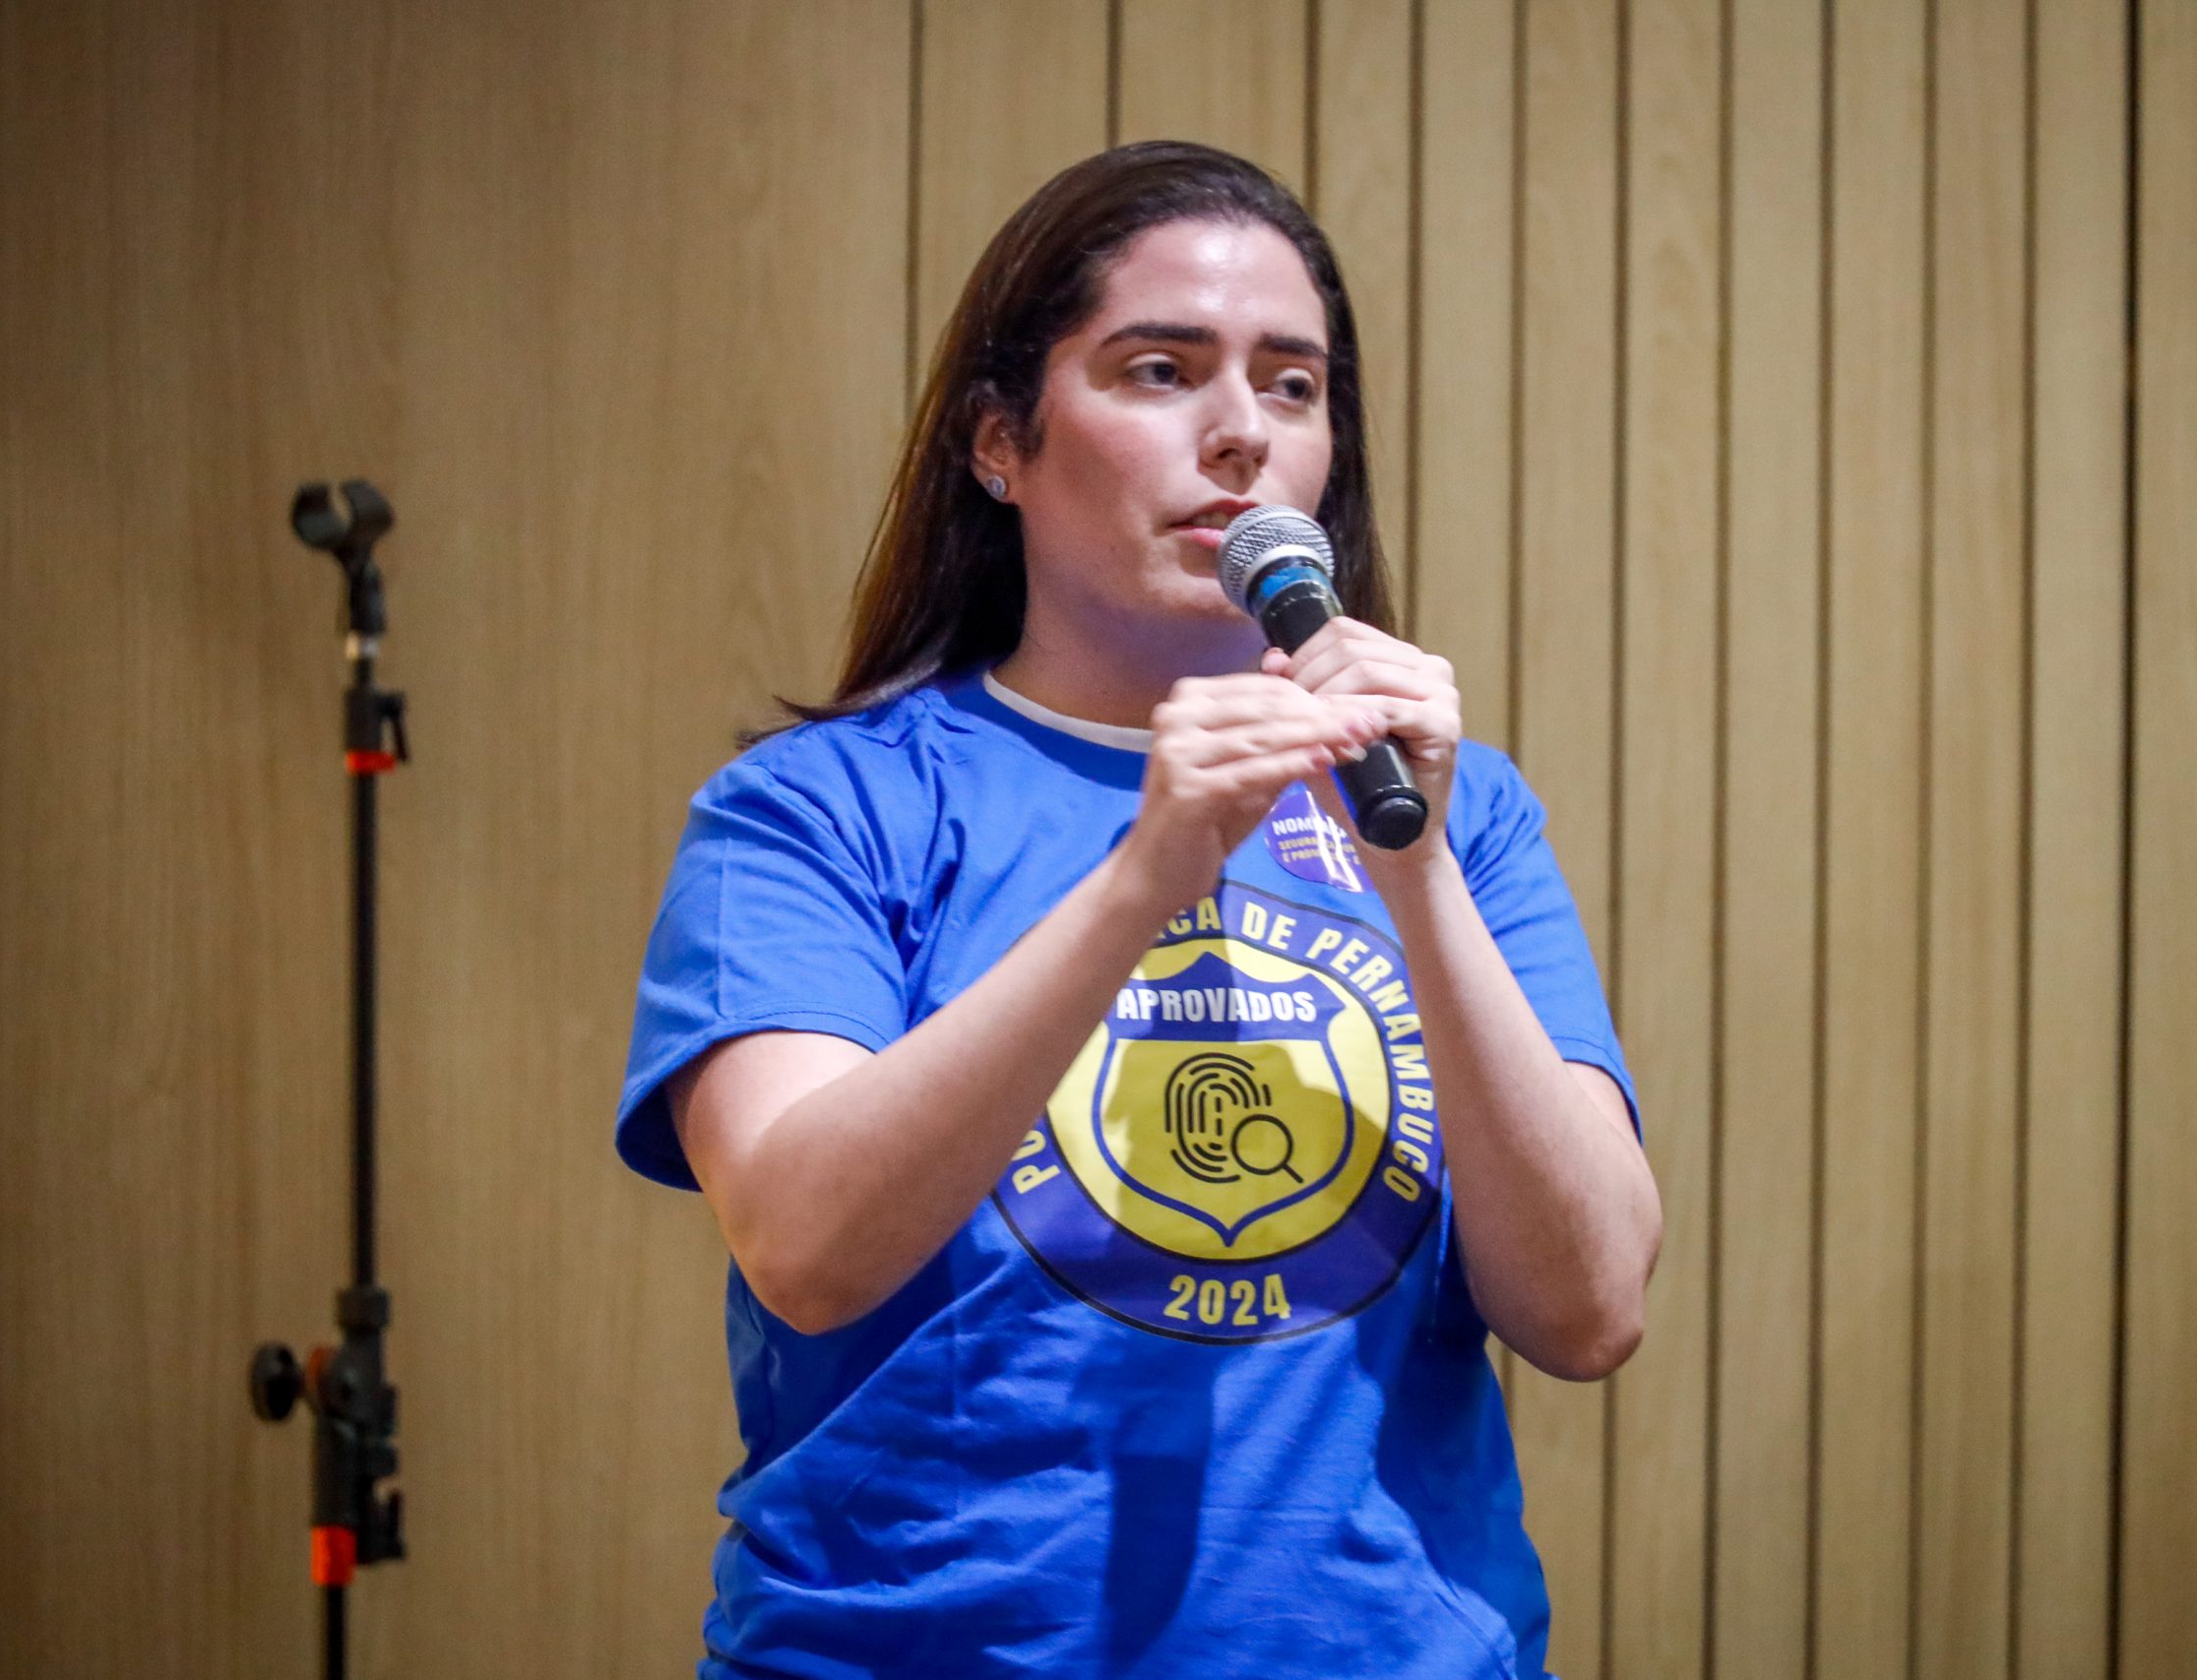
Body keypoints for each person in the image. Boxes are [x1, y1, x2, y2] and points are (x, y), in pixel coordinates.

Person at [616, 140, 1662, 1680]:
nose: (1241, 432)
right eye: (1161, 371)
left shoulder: (1464, 815)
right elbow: (807, 1246)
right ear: (1001, 443)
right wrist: (1140, 883)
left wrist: (1416, 870)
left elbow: (1587, 1311)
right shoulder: (819, 808)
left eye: (1293, 386)